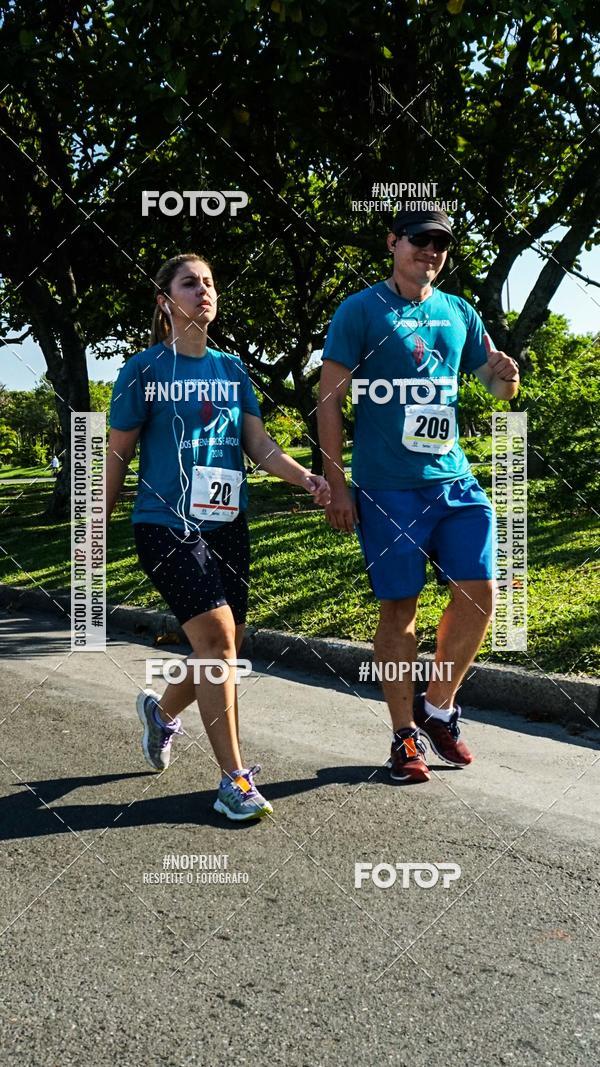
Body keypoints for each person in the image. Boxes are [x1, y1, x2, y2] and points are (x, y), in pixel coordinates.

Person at [107, 253, 330, 820]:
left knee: (219, 648)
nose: (203, 290)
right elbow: (116, 453)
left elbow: (259, 446)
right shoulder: (144, 371)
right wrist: (92, 525)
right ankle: (234, 780)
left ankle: (160, 714)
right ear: (166, 300)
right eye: (190, 282)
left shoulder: (233, 371)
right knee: (219, 644)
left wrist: (306, 477)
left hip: (228, 525)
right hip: (165, 526)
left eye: (209, 282)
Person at [317, 209, 519, 784]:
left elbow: (499, 389)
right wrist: (335, 482)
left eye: (441, 244)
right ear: (393, 242)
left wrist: (507, 374)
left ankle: (438, 706)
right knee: (399, 607)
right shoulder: (360, 310)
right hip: (387, 489)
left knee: (480, 592)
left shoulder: (458, 312)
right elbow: (329, 399)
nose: (431, 251)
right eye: (420, 240)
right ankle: (404, 735)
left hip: (453, 480)